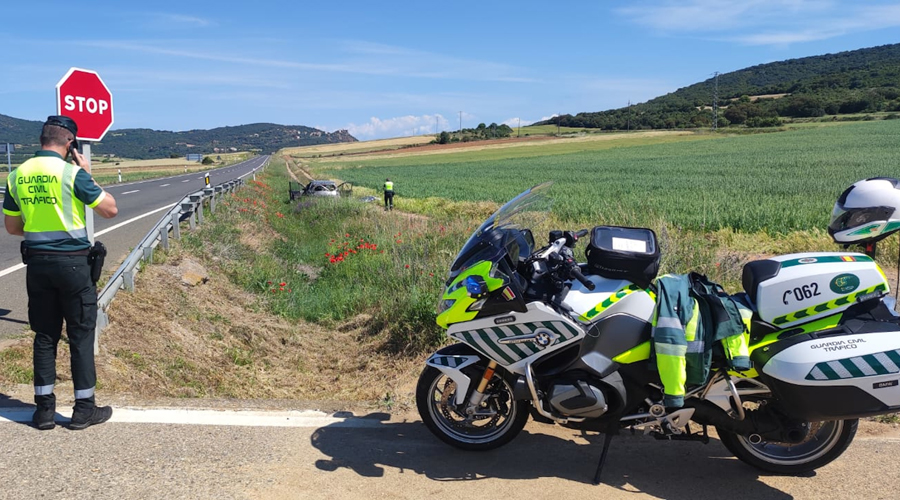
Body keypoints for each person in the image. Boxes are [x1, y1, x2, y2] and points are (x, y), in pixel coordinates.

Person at [3, 115, 118, 430]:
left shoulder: (17, 176)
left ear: (42, 140)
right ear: (70, 144)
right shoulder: (71, 174)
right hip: (74, 265)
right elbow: (110, 210)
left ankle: (43, 411)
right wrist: (88, 176)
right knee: (80, 335)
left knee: (44, 335)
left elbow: (13, 227)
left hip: (37, 266)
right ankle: (84, 409)